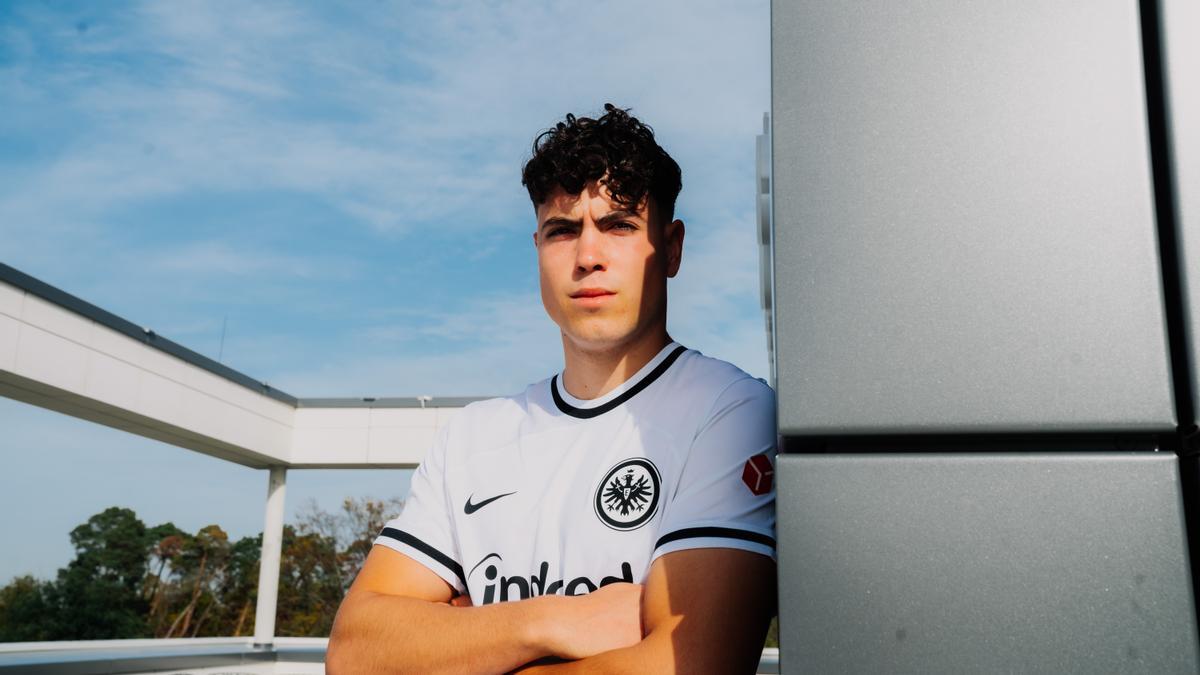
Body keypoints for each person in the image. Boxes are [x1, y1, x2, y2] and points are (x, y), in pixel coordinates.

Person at [327, 103, 777, 674]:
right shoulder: (472, 435)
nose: (588, 257)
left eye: (619, 226)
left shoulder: (729, 410)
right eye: (562, 231)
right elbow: (354, 654)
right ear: (538, 249)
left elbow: (691, 664)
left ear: (672, 248)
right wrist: (557, 620)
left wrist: (466, 640)